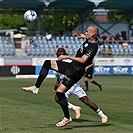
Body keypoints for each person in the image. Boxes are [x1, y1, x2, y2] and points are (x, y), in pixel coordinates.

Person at [22, 26, 108, 127]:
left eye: (87, 31)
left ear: (92, 34)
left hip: (75, 72)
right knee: (47, 63)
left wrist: (67, 56)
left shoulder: (93, 48)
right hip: (71, 66)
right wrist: (85, 36)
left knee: (59, 93)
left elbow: (84, 60)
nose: (86, 32)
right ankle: (36, 87)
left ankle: (67, 117)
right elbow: (97, 40)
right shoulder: (93, 40)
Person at [53, 47, 107, 122]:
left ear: (64, 54)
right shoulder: (57, 63)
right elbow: (60, 76)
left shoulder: (69, 61)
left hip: (73, 84)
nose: (60, 55)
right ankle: (75, 108)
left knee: (86, 101)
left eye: (61, 54)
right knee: (57, 98)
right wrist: (56, 84)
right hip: (65, 86)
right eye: (59, 54)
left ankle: (102, 115)